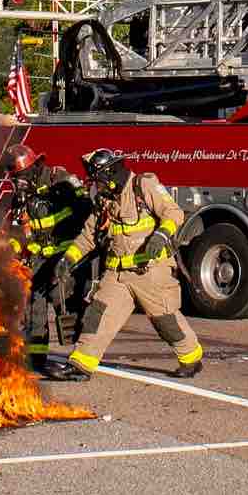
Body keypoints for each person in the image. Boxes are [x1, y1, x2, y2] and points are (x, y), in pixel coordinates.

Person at [45, 148, 202, 382]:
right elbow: (89, 235)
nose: (95, 185)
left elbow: (174, 213)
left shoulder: (143, 185)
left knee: (165, 321)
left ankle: (191, 358)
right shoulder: (104, 200)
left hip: (149, 272)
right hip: (117, 275)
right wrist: (68, 259)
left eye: (98, 179)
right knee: (96, 315)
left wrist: (160, 236)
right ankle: (80, 364)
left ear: (110, 173)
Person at [2, 145, 90, 370]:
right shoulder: (21, 198)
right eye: (15, 178)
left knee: (66, 300)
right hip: (39, 257)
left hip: (65, 253)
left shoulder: (58, 179)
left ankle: (83, 353)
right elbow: (15, 232)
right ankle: (36, 357)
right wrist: (11, 251)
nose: (18, 182)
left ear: (33, 168)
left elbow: (84, 208)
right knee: (34, 306)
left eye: (20, 176)